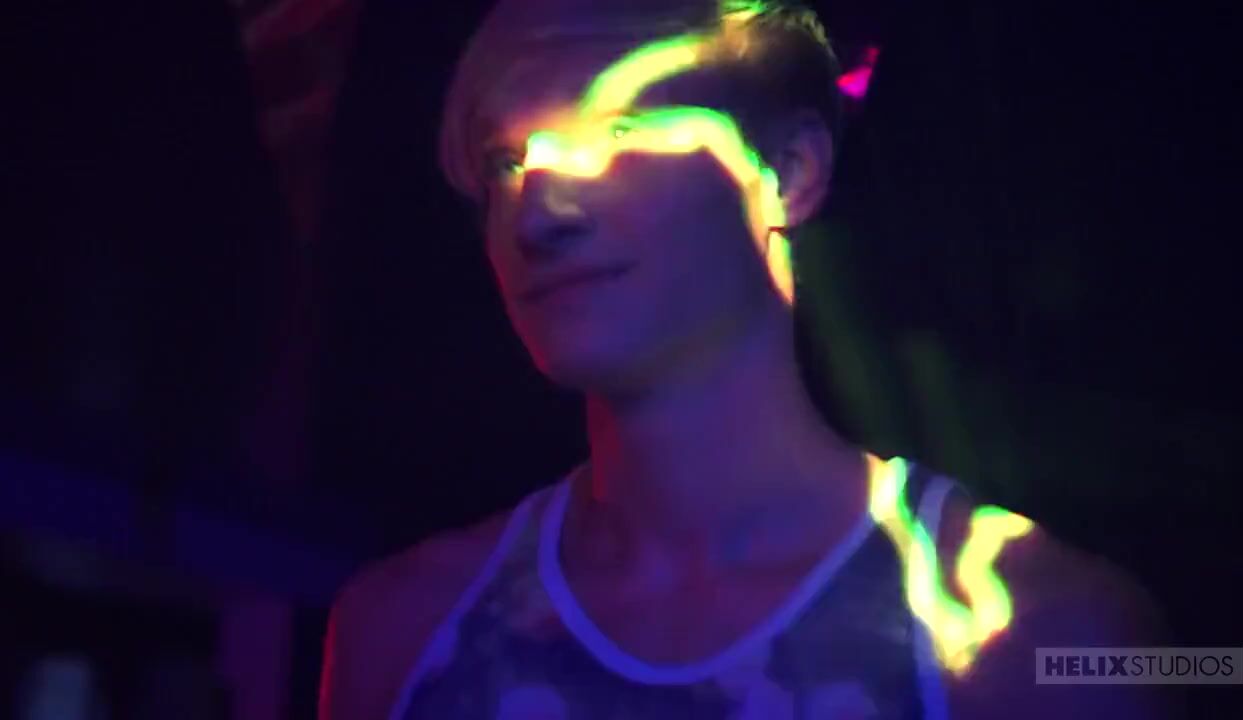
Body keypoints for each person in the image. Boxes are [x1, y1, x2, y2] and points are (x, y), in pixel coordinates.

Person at [319, 2, 1178, 718]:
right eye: (506, 161)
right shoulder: (399, 631)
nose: (540, 212)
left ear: (790, 172)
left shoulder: (1045, 640)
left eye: (620, 131)